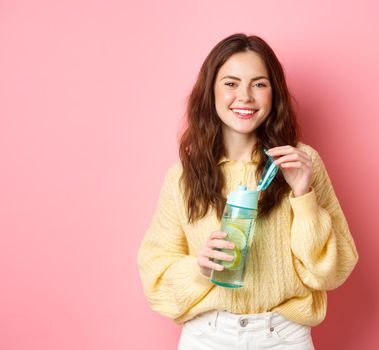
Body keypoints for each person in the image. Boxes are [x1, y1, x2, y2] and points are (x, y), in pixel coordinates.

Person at [137, 33, 359, 350]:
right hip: (207, 336)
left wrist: (303, 196)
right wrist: (200, 268)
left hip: (283, 337)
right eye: (230, 83)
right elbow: (155, 276)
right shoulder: (184, 177)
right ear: (210, 91)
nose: (245, 96)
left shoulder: (300, 163)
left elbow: (331, 272)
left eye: (259, 84)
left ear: (274, 93)